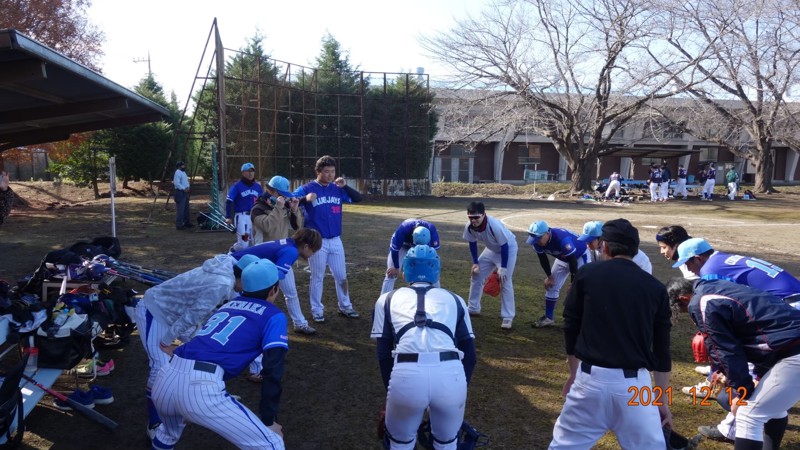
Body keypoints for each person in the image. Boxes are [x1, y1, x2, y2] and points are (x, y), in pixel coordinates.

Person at [550, 219, 672, 449]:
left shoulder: (587, 274)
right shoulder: (655, 288)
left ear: (604, 246)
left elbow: (571, 326)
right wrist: (662, 398)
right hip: (636, 387)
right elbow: (662, 350)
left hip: (589, 379)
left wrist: (573, 373)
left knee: (563, 446)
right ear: (635, 249)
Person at [151, 259, 288, 450]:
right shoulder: (274, 315)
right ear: (274, 290)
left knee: (166, 435)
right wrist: (268, 420)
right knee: (272, 444)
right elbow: (273, 369)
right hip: (199, 386)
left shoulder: (228, 305)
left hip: (166, 378)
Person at [666, 277, 800, 450]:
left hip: (794, 349)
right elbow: (763, 334)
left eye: (684, 309)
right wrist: (756, 376)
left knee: (747, 413)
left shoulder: (702, 301)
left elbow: (727, 350)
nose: (689, 314)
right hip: (788, 346)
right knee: (770, 403)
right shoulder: (718, 288)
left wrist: (741, 392)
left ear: (684, 298)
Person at [135, 253, 258, 438]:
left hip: (178, 314)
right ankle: (154, 422)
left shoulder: (230, 270)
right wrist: (166, 341)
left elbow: (203, 313)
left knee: (207, 351)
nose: (244, 291)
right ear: (242, 277)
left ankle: (213, 397)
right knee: (159, 367)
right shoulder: (222, 283)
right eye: (247, 285)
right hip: (155, 311)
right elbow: (192, 315)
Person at [371, 245, 476, 450]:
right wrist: (459, 389)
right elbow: (470, 356)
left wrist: (391, 393)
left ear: (406, 269)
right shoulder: (456, 299)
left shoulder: (386, 299)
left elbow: (384, 355)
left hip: (406, 375)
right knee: (446, 444)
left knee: (400, 443)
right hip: (450, 374)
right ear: (436, 269)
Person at [291, 155, 363, 323]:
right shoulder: (307, 187)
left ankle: (345, 306)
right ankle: (317, 310)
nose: (330, 175)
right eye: (326, 171)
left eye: (332, 171)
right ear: (318, 172)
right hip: (316, 242)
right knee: (317, 276)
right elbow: (291, 201)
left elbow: (358, 198)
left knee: (341, 275)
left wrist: (345, 186)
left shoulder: (337, 188)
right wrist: (304, 199)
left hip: (336, 239)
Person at [672, 237, 800, 303]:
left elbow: (721, 306)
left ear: (698, 258)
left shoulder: (710, 271)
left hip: (789, 304)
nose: (689, 269)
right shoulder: (722, 259)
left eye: (687, 263)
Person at [462, 201, 518, 329]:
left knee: (505, 280)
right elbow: (472, 243)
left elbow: (504, 245)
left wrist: (503, 267)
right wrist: (475, 262)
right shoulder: (469, 227)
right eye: (471, 217)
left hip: (508, 249)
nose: (474, 220)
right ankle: (473, 307)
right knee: (476, 275)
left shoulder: (493, 225)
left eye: (477, 217)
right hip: (491, 250)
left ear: (483, 214)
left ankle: (508, 317)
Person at [526, 220, 589, 328]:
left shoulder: (562, 239)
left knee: (580, 289)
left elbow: (573, 261)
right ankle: (548, 318)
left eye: (539, 238)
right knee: (551, 286)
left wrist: (573, 282)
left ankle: (582, 320)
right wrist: (549, 277)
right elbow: (543, 259)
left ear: (547, 233)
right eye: (534, 239)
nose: (537, 242)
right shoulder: (537, 241)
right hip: (563, 258)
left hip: (579, 256)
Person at [382, 219, 441, 294]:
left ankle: (437, 298)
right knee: (391, 274)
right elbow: (395, 250)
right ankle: (383, 301)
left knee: (433, 275)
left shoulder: (432, 231)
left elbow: (433, 255)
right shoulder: (402, 230)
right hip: (402, 245)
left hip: (422, 249)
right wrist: (396, 267)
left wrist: (435, 270)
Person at [579, 220, 652, 273]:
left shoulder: (635, 257)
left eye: (590, 241)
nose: (587, 244)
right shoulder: (593, 250)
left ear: (601, 239)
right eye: (586, 241)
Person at [251, 175, 303, 245]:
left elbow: (296, 226)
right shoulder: (257, 209)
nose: (284, 197)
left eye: (285, 195)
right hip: (264, 251)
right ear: (270, 190)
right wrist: (278, 208)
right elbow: (267, 226)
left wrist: (294, 211)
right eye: (281, 195)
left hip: (281, 248)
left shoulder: (283, 207)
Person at [226, 162, 263, 251]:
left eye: (252, 171)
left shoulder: (258, 187)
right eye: (248, 171)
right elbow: (229, 201)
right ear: (243, 173)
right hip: (242, 217)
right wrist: (228, 216)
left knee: (253, 242)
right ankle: (233, 250)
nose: (250, 173)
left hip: (254, 217)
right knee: (244, 242)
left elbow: (262, 201)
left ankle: (247, 260)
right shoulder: (237, 186)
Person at [172, 161, 193, 230]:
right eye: (183, 165)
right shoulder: (177, 172)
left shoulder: (183, 172)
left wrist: (188, 187)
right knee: (180, 209)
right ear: (179, 166)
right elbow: (176, 183)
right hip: (180, 192)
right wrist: (184, 188)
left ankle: (187, 222)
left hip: (185, 192)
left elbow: (186, 181)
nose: (184, 166)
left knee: (186, 208)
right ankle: (179, 225)